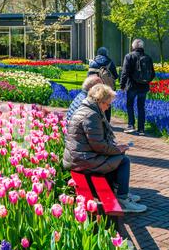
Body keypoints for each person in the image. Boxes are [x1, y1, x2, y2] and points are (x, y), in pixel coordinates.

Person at [63, 84, 147, 213]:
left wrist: (115, 148)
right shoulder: (91, 115)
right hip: (83, 161)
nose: (108, 107)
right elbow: (99, 146)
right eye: (107, 104)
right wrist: (117, 149)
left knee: (117, 157)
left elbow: (96, 143)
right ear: (99, 101)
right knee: (123, 160)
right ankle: (123, 199)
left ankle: (121, 192)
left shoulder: (86, 109)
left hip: (79, 157)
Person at [120, 39, 155, 136]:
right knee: (141, 107)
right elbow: (152, 74)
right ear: (142, 47)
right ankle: (141, 129)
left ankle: (131, 125)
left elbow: (124, 72)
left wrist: (122, 85)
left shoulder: (129, 56)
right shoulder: (148, 57)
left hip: (131, 86)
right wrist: (146, 81)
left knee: (130, 105)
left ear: (133, 47)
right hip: (143, 87)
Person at [87, 47, 119, 122]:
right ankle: (107, 121)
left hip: (95, 87)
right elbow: (115, 76)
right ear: (106, 53)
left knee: (95, 103)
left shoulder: (92, 62)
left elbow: (88, 76)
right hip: (106, 87)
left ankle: (96, 120)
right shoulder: (109, 62)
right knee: (107, 103)